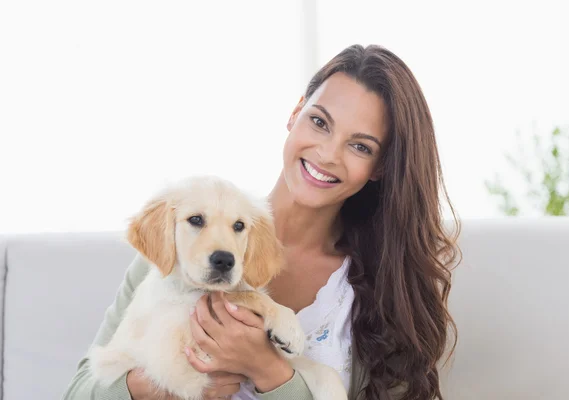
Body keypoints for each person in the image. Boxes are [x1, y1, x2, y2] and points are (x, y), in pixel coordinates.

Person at [62, 43, 460, 400]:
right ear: (294, 113)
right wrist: (153, 388)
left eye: (360, 146)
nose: (327, 154)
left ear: (379, 168)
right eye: (320, 122)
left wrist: (268, 370)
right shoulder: (181, 247)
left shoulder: (385, 285)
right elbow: (79, 392)